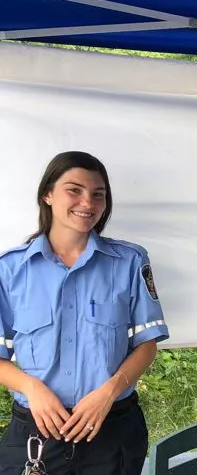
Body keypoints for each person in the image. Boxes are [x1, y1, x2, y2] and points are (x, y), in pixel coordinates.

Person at [0, 152, 169, 474]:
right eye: (74, 190)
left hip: (112, 429)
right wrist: (33, 388)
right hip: (37, 433)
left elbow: (147, 344)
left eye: (98, 194)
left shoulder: (129, 261)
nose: (87, 202)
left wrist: (108, 393)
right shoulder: (9, 269)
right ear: (47, 195)